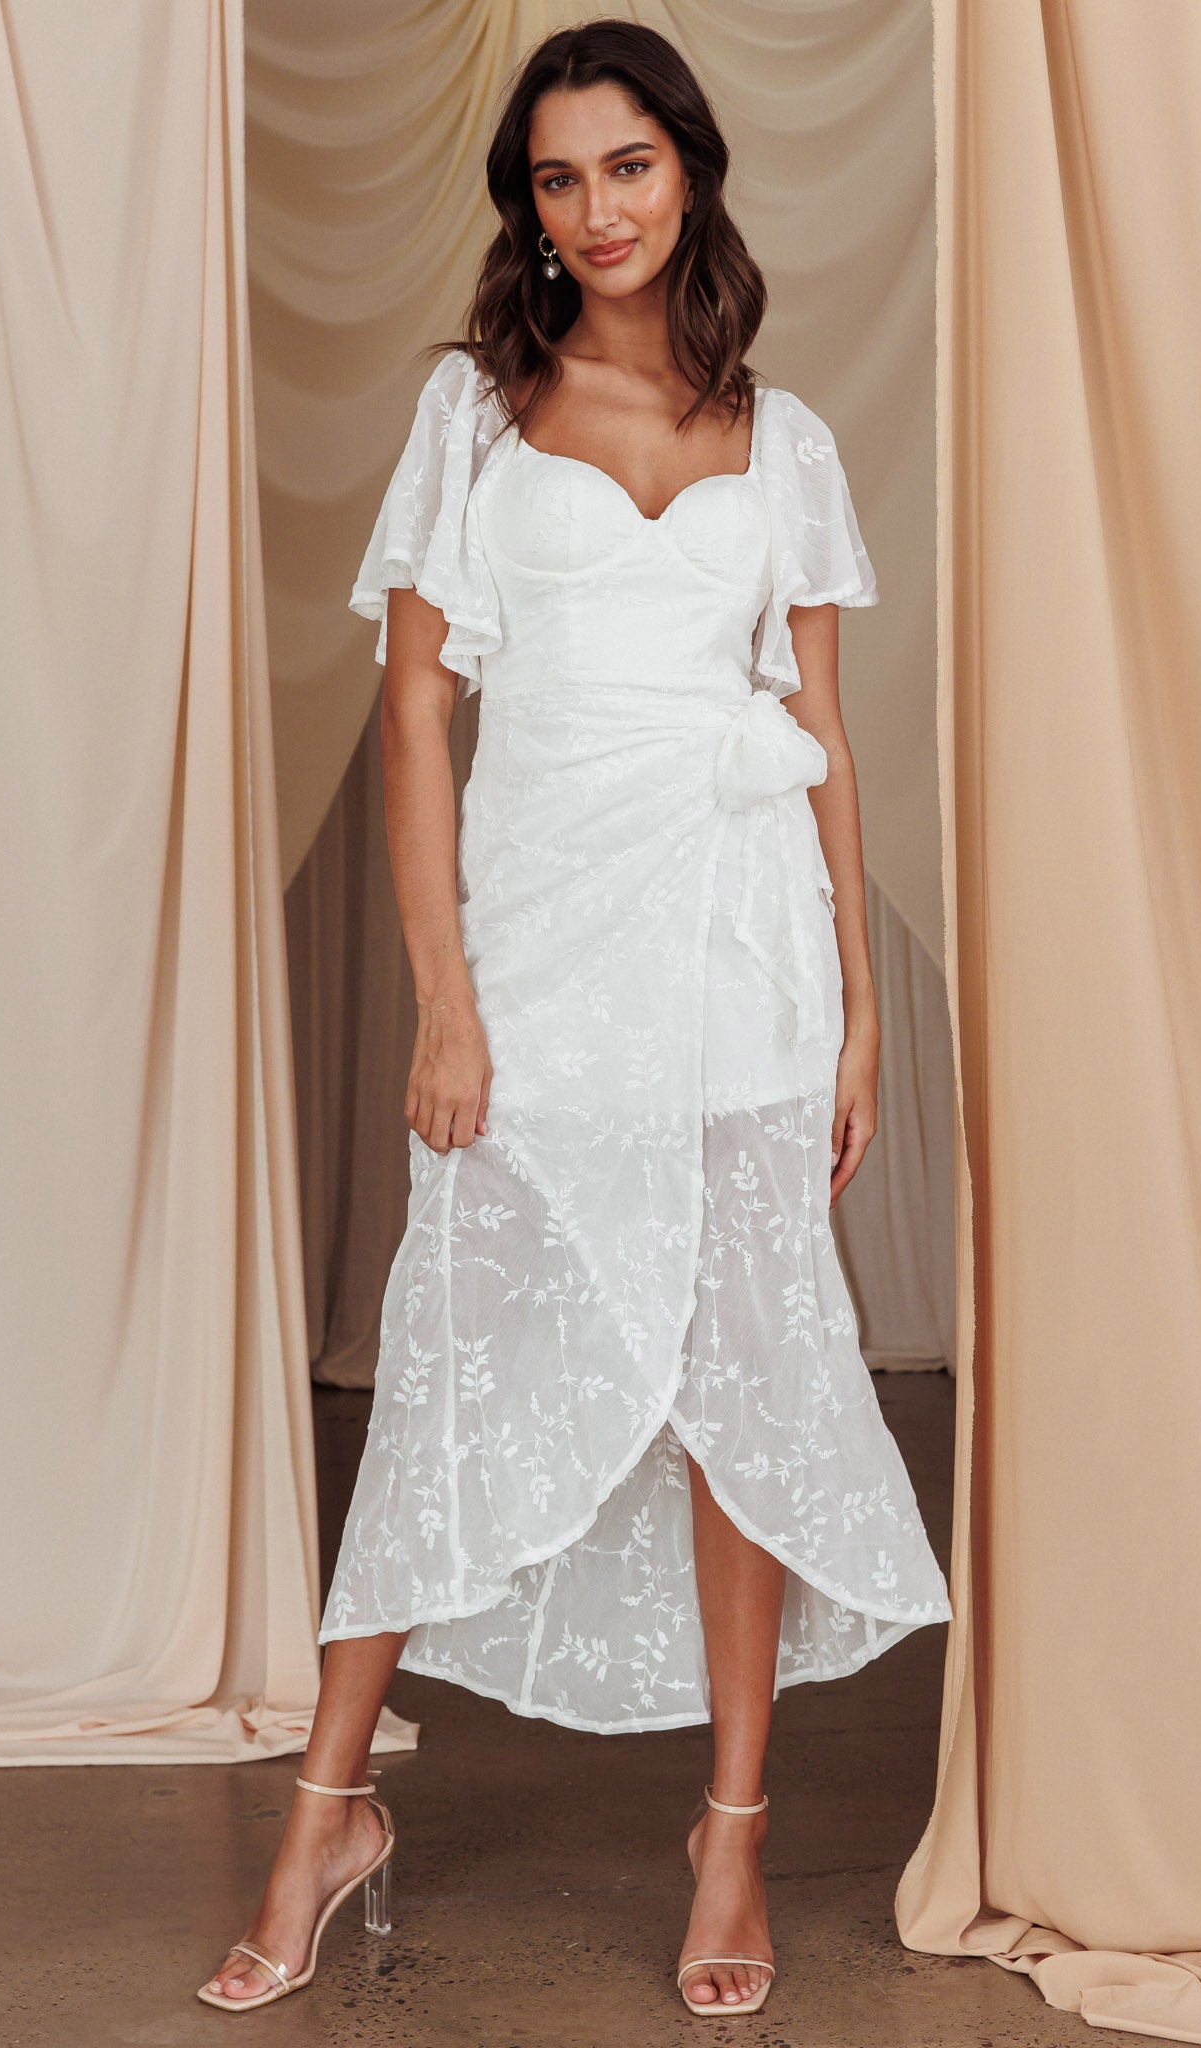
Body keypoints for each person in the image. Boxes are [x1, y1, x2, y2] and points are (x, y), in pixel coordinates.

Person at [198, 17, 951, 2021]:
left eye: (626, 165)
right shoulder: (471, 411)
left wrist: (856, 1015)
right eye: (556, 177)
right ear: (526, 208)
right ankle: (327, 1810)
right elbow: (413, 717)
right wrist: (444, 1001)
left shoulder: (785, 441)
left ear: (686, 172)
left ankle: (732, 1831)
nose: (595, 208)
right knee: (453, 1358)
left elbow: (819, 734)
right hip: (538, 951)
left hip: (739, 952)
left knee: (737, 1382)